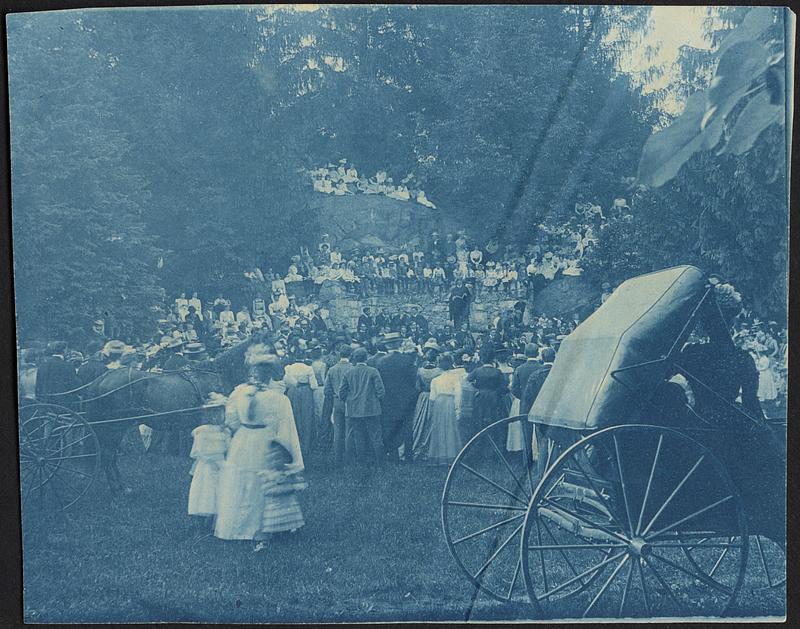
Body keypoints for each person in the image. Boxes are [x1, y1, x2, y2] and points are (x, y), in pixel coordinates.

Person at [214, 348, 303, 544]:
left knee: (241, 481)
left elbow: (231, 420)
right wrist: (291, 460)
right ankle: (267, 526)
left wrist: (242, 431)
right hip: (267, 441)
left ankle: (236, 527)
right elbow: (287, 430)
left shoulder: (239, 393)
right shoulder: (279, 399)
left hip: (243, 439)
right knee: (262, 483)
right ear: (272, 373)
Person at [254, 440, 308, 551]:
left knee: (290, 521)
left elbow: (296, 479)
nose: (275, 462)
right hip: (275, 507)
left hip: (288, 505)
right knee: (274, 524)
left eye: (278, 458)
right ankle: (271, 538)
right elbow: (269, 491)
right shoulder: (268, 475)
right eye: (272, 459)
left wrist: (298, 482)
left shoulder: (288, 471)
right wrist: (291, 488)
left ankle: (289, 533)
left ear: (284, 459)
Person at [338, 347, 385, 473]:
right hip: (372, 409)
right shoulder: (373, 371)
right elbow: (381, 391)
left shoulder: (348, 372)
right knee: (376, 437)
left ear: (354, 358)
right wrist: (376, 400)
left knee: (358, 437)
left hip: (354, 410)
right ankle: (380, 464)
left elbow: (341, 392)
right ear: (366, 358)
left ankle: (361, 464)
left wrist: (349, 400)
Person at [373, 336, 418, 462]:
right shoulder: (407, 360)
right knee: (407, 427)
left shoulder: (381, 362)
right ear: (399, 344)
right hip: (406, 399)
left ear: (387, 346)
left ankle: (393, 456)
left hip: (388, 399)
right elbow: (414, 379)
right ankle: (408, 455)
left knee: (390, 427)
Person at [187, 415, 230, 522]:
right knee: (205, 492)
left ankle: (215, 520)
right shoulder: (202, 431)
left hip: (221, 465)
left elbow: (228, 448)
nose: (215, 416)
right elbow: (200, 452)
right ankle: (201, 521)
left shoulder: (225, 432)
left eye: (219, 413)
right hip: (207, 465)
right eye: (212, 413)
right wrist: (213, 461)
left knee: (219, 492)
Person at [427, 354, 464, 465]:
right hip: (449, 402)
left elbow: (432, 398)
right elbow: (458, 394)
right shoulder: (456, 378)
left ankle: (439, 455)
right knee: (450, 427)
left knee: (439, 428)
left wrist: (431, 410)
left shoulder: (435, 380)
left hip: (439, 402)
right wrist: (458, 409)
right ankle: (451, 455)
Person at [322, 344, 354, 467]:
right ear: (350, 355)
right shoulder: (352, 368)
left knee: (338, 431)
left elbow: (326, 390)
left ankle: (337, 459)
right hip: (349, 402)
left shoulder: (332, 369)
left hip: (337, 402)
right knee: (349, 431)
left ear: (340, 355)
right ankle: (349, 459)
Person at [466, 347, 507, 438]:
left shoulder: (477, 371)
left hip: (480, 397)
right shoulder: (497, 372)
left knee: (480, 418)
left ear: (482, 359)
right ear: (493, 358)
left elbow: (467, 381)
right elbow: (504, 388)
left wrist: (476, 388)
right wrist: (497, 391)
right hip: (494, 398)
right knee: (494, 419)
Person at [409, 350, 443, 461]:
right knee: (433, 421)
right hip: (435, 397)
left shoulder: (420, 371)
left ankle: (417, 448)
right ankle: (430, 449)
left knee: (420, 422)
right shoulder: (440, 371)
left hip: (423, 397)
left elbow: (417, 387)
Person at [284, 353, 319, 456]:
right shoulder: (308, 368)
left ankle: (294, 444)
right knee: (306, 418)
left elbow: (286, 382)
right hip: (305, 392)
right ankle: (306, 445)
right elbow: (314, 386)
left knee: (293, 417)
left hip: (292, 391)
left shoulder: (288, 368)